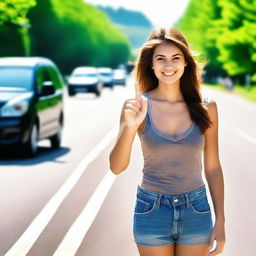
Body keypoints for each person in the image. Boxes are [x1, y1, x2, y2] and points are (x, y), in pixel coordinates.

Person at [109, 27, 225, 256]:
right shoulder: (136, 106)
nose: (168, 66)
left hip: (196, 209)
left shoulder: (206, 107)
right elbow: (116, 167)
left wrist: (221, 220)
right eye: (160, 59)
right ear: (151, 64)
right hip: (152, 210)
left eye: (175, 58)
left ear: (186, 63)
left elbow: (213, 166)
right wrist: (130, 127)